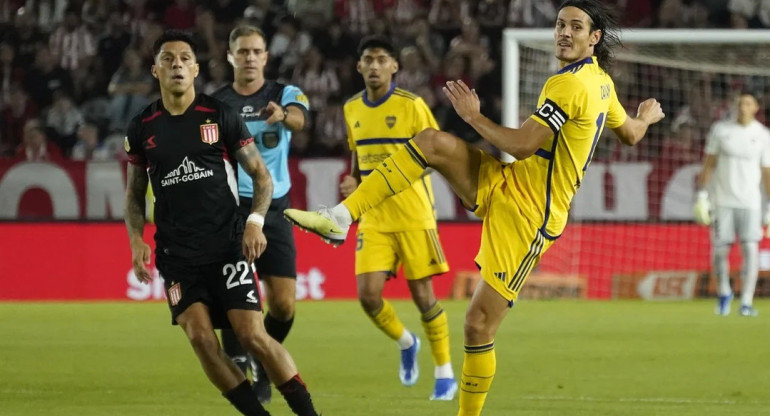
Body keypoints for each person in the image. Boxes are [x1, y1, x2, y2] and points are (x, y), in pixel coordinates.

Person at [284, 1, 665, 415]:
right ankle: (340, 218)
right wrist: (645, 117)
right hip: (508, 184)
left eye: (576, 27)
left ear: (594, 38)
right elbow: (628, 133)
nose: (564, 33)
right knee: (430, 141)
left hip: (530, 215)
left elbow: (520, 146)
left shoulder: (571, 85)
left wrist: (474, 117)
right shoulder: (599, 81)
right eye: (560, 24)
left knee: (478, 325)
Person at [123, 29, 318, 416]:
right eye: (168, 59)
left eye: (184, 59)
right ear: (155, 69)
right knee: (200, 339)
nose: (176, 64)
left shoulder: (219, 114)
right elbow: (133, 193)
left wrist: (255, 222)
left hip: (226, 243)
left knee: (253, 335)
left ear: (195, 68)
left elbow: (262, 176)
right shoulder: (142, 126)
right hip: (176, 253)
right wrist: (135, 239)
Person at [336, 35, 457, 401]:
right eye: (368, 60)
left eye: (381, 60)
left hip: (413, 214)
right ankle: (406, 342)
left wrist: (395, 176)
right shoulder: (351, 108)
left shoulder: (412, 106)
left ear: (394, 66)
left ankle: (445, 372)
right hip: (373, 217)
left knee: (423, 297)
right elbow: (357, 158)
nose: (374, 66)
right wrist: (353, 180)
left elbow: (436, 152)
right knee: (368, 297)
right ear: (359, 67)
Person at [213, 25, 309, 404]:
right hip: (232, 208)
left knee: (284, 305)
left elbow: (301, 120)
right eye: (243, 51)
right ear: (230, 56)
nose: (250, 57)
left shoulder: (283, 94)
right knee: (235, 296)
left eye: (256, 51)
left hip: (275, 207)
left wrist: (284, 115)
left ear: (266, 57)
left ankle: (261, 359)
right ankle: (241, 369)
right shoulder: (217, 103)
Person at [693, 91, 770, 317]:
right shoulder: (721, 130)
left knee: (750, 249)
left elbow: (766, 173)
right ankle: (725, 292)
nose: (743, 107)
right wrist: (702, 195)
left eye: (748, 103)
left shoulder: (763, 135)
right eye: (740, 103)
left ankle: (746, 301)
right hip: (722, 200)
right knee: (719, 252)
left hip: (751, 203)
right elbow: (709, 164)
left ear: (756, 107)